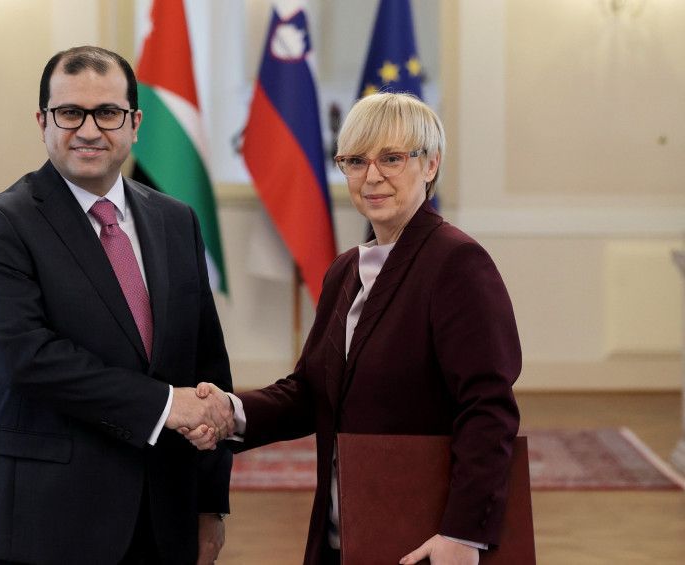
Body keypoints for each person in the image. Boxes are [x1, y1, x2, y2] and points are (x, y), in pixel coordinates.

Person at [184, 92, 521, 565]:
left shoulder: (457, 263)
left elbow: (488, 408)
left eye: (392, 158)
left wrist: (463, 534)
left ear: (430, 165)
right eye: (356, 161)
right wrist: (229, 412)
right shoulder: (346, 270)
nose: (372, 176)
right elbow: (310, 393)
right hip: (344, 531)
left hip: (424, 536)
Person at [0, 46, 234, 565]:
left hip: (163, 519)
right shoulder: (1, 224)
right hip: (46, 523)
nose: (89, 130)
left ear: (135, 123)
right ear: (42, 121)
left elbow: (207, 367)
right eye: (70, 112)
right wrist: (164, 405)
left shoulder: (176, 220)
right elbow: (25, 358)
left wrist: (208, 504)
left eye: (108, 112)